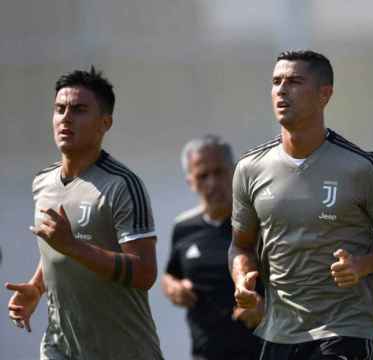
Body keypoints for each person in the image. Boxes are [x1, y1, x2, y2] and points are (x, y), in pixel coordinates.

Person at [229, 50, 373, 360]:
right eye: (276, 81)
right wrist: (242, 280)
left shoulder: (362, 167)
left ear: (324, 94)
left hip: (345, 330)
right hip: (279, 331)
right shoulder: (250, 168)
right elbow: (240, 246)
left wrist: (362, 266)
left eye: (294, 81)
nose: (281, 89)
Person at [5, 67, 163, 359]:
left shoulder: (123, 185)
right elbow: (55, 247)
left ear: (105, 123)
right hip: (59, 347)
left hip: (123, 351)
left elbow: (144, 272)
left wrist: (74, 246)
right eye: (59, 109)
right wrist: (36, 287)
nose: (65, 118)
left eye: (78, 110)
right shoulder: (43, 182)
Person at [162, 134, 263, 360]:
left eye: (219, 172)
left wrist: (264, 309)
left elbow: (294, 285)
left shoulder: (259, 225)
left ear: (235, 172)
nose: (212, 183)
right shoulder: (184, 227)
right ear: (190, 181)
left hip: (262, 352)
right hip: (205, 353)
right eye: (202, 176)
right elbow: (170, 274)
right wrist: (173, 288)